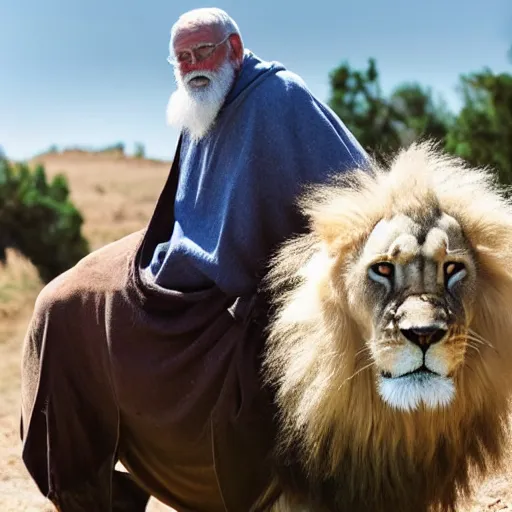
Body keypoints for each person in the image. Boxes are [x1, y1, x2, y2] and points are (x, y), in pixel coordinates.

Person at [20, 7, 368, 512]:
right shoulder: (198, 109)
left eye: (202, 51)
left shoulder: (279, 96)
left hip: (265, 283)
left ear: (234, 47)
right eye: (180, 58)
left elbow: (355, 183)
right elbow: (191, 214)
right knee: (67, 306)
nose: (192, 66)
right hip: (193, 274)